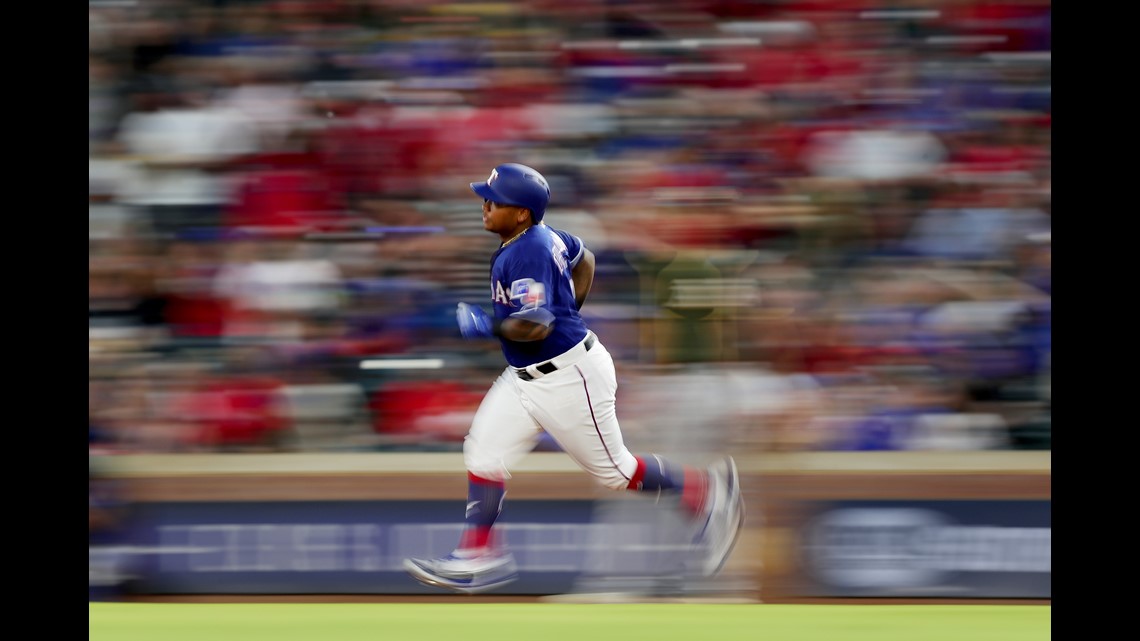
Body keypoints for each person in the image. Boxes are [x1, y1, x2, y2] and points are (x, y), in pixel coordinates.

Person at [403, 163, 744, 594]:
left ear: (522, 212)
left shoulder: (526, 251)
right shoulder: (537, 237)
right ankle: (478, 555)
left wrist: (488, 324)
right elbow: (586, 257)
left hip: (568, 375)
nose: (484, 205)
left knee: (616, 472)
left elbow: (535, 327)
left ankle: (706, 492)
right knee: (484, 452)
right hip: (527, 375)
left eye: (494, 200)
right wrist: (569, 309)